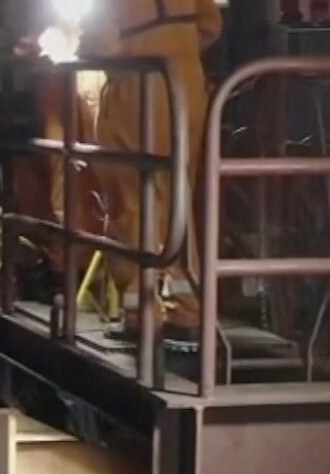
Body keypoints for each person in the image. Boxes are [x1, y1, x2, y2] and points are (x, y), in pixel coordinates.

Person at [91, 0, 224, 332]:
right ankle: (188, 305)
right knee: (179, 195)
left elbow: (101, 43)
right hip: (185, 86)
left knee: (132, 197)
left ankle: (140, 308)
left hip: (137, 88)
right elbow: (211, 27)